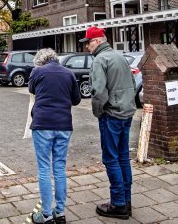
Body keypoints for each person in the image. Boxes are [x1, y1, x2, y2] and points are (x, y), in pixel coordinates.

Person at [83, 26, 136, 220]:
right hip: (127, 113)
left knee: (110, 158)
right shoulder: (120, 57)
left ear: (97, 41)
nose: (87, 46)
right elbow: (132, 82)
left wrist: (98, 112)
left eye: (88, 42)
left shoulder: (100, 60)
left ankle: (118, 204)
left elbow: (98, 92)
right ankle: (126, 200)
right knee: (123, 157)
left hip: (111, 115)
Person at [27, 49, 81, 224]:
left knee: (44, 169)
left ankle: (46, 215)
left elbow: (31, 89)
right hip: (64, 125)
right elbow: (76, 100)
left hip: (42, 125)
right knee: (59, 168)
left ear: (40, 61)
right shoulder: (69, 73)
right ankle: (60, 213)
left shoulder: (37, 72)